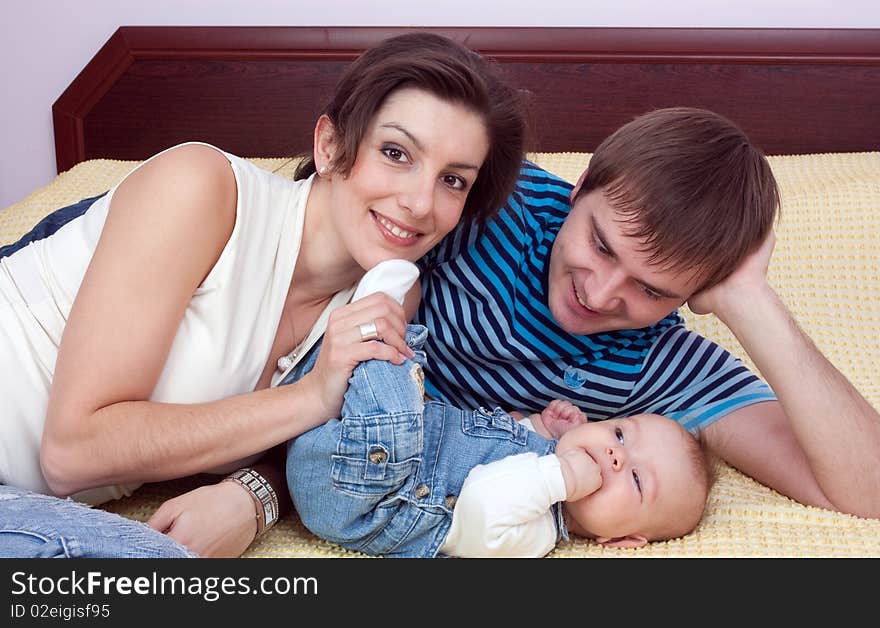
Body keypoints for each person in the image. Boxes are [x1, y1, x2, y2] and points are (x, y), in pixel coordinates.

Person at [0, 32, 527, 557]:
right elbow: (72, 450)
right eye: (395, 152)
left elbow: (327, 456)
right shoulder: (201, 189)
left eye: (454, 181)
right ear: (329, 145)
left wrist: (255, 495)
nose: (419, 202)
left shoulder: (387, 299)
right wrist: (312, 394)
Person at [413, 106, 880, 520]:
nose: (598, 296)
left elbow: (868, 491)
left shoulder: (662, 365)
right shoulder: (488, 201)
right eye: (601, 246)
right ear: (580, 186)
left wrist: (749, 298)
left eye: (650, 289)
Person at [285, 318, 713, 557]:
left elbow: (482, 502)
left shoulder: (538, 532)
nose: (616, 456)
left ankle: (349, 341)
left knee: (394, 346)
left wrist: (561, 474)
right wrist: (540, 430)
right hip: (356, 448)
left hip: (356, 493)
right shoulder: (545, 458)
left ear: (621, 541)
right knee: (379, 357)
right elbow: (483, 444)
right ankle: (300, 367)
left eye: (636, 479)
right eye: (620, 433)